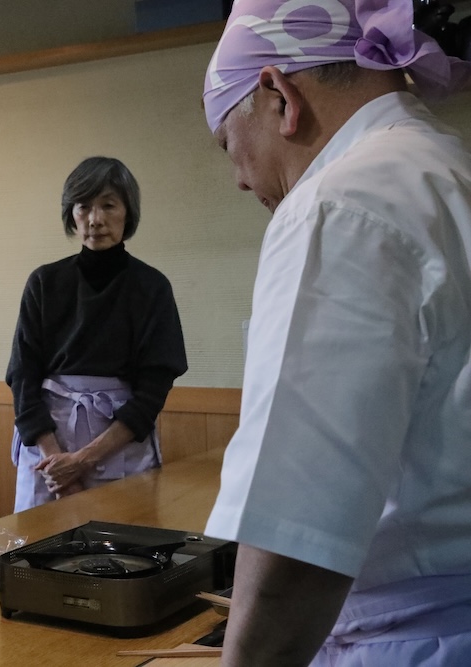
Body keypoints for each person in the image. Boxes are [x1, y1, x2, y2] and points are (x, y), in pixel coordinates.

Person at [201, 1, 471, 665]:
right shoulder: (450, 169)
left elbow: (298, 536)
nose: (239, 180)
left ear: (279, 96)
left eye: (229, 145)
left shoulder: (337, 205)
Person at [5, 157, 187, 511]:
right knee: (39, 541)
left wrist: (84, 460)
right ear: (71, 214)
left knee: (120, 538)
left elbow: (153, 391)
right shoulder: (43, 282)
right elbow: (23, 378)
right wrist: (57, 464)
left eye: (108, 205)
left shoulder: (152, 287)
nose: (95, 219)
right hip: (48, 446)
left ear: (127, 211)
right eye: (84, 206)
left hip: (118, 443)